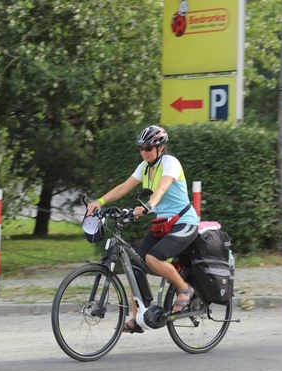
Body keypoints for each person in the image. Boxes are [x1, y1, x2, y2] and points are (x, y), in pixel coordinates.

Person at [85, 125, 199, 333]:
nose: (144, 152)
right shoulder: (145, 167)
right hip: (163, 224)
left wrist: (147, 205)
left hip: (184, 223)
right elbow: (123, 187)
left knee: (153, 258)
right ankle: (140, 316)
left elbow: (163, 187)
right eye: (141, 148)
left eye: (148, 148)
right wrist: (99, 202)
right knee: (135, 266)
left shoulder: (170, 163)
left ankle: (184, 289)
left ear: (160, 147)